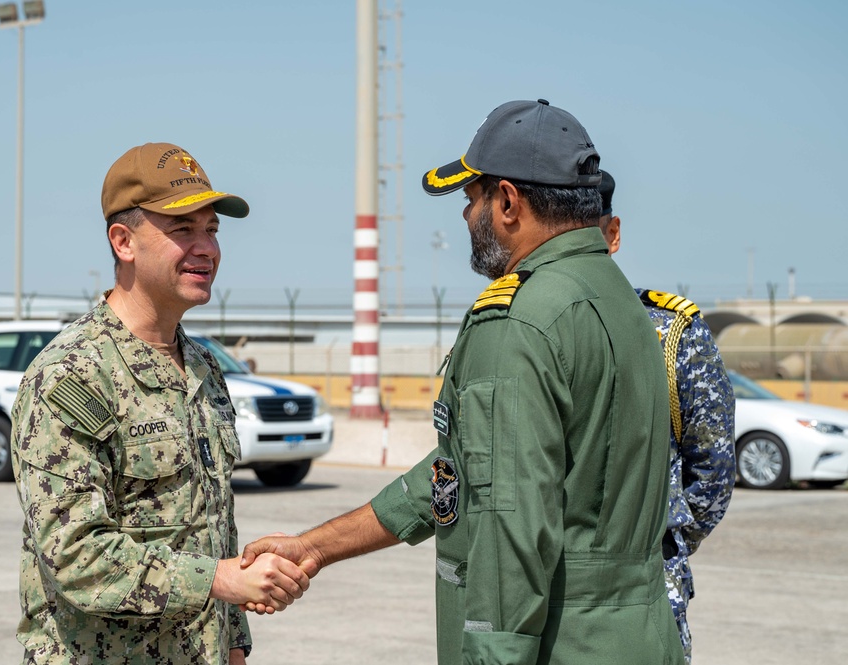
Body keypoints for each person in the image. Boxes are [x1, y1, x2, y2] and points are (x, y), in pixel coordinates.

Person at [242, 100, 685, 664]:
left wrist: (493, 655)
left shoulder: (520, 320)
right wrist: (313, 547)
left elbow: (510, 518)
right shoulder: (623, 302)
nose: (464, 216)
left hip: (559, 644)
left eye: (471, 199)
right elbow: (464, 473)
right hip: (639, 639)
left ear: (507, 201)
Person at [10, 142, 311, 665]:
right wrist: (219, 579)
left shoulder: (200, 366)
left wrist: (235, 643)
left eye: (212, 231)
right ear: (123, 242)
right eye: (183, 231)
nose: (207, 249)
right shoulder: (72, 375)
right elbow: (74, 554)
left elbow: (214, 521)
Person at [599, 169, 736, 662]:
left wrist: (666, 537)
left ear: (612, 235)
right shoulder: (524, 328)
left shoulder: (671, 334)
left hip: (648, 591)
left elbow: (714, 471)